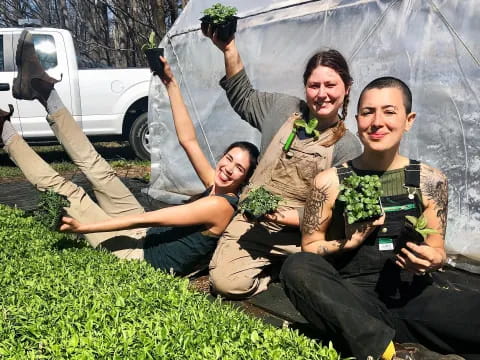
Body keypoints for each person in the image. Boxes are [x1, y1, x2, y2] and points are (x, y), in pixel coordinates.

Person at [0, 30, 259, 277]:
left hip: (135, 256)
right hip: (144, 231)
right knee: (98, 168)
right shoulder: (215, 184)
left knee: (69, 192)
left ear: (244, 179)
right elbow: (188, 140)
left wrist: (85, 228)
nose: (228, 168)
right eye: (229, 158)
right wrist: (170, 83)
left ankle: (3, 130)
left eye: (239, 168)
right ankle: (43, 90)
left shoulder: (220, 205)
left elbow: (157, 218)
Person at [280, 77, 479, 359]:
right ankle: (389, 353)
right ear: (356, 119)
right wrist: (347, 243)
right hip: (355, 298)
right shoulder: (329, 183)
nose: (377, 122)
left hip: (414, 296)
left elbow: (437, 247)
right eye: (367, 112)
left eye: (389, 111)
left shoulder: (430, 181)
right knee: (296, 267)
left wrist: (432, 258)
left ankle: (381, 340)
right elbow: (310, 247)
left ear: (408, 120)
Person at [203, 31, 363, 298]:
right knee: (225, 283)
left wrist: (284, 216)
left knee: (326, 281)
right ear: (305, 87)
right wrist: (229, 48)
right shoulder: (282, 109)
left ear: (346, 87)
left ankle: (287, 266)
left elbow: (337, 215)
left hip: (305, 236)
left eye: (330, 85)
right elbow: (243, 97)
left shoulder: (348, 145)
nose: (321, 94)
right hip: (254, 225)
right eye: (314, 85)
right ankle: (272, 273)